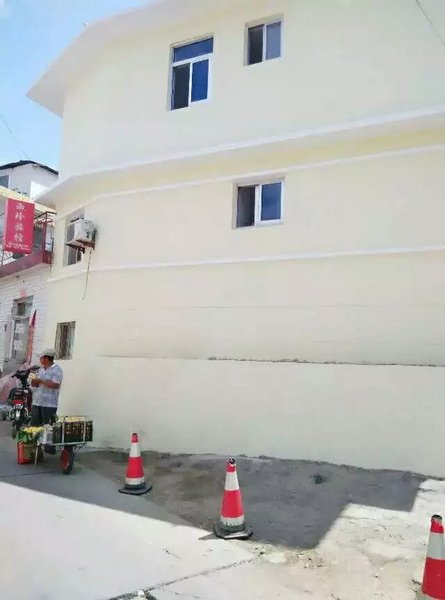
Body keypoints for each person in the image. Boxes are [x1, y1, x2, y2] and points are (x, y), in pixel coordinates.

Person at [30, 350, 63, 426]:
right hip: (37, 402)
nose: (40, 360)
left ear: (46, 359)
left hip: (49, 404)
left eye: (41, 358)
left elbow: (55, 385)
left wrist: (41, 381)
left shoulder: (56, 369)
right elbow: (34, 384)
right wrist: (33, 380)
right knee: (34, 426)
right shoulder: (40, 369)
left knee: (47, 426)